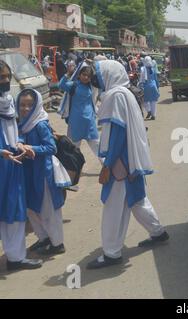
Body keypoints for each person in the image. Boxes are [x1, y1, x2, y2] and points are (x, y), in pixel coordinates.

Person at [86, 60, 168, 270]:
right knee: (137, 200)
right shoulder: (125, 93)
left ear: (109, 75)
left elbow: (118, 134)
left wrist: (108, 165)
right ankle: (158, 233)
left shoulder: (115, 96)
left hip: (121, 162)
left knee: (114, 208)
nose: (96, 78)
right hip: (131, 159)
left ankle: (111, 253)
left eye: (99, 73)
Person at [0, 60, 43, 271]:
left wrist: (18, 143)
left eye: (8, 76)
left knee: (15, 212)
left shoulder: (7, 101)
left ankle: (16, 257)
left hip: (12, 164)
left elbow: (11, 130)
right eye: (1, 77)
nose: (5, 81)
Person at [18, 89, 69, 256]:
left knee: (48, 209)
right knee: (32, 207)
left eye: (29, 105)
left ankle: (57, 243)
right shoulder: (24, 123)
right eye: (22, 105)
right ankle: (44, 238)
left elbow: (51, 147)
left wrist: (31, 148)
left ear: (36, 106)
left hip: (43, 172)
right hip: (29, 171)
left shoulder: (40, 124)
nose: (25, 109)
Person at [58, 62, 101, 161]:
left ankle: (107, 168)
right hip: (76, 122)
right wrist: (68, 73)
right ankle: (73, 170)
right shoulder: (73, 85)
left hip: (89, 122)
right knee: (73, 149)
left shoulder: (91, 86)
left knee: (97, 145)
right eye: (84, 75)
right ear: (79, 74)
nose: (86, 77)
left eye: (88, 76)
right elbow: (61, 85)